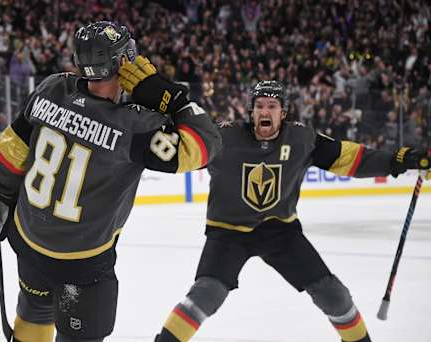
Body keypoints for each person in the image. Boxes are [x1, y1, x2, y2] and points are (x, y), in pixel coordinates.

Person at [0, 21, 221, 342]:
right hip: (82, 262)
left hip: (29, 242)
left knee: (34, 312)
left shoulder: (53, 88)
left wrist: (0, 199)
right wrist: (168, 95)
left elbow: (10, 152)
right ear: (122, 62)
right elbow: (205, 146)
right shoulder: (135, 124)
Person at [154, 80, 431, 342]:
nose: (265, 111)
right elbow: (184, 152)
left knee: (335, 296)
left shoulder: (301, 139)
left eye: (272, 106)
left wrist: (399, 159)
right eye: (260, 105)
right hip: (227, 232)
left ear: (283, 113)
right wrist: (153, 137)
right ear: (250, 111)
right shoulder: (224, 138)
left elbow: (350, 158)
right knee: (206, 295)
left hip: (280, 231)